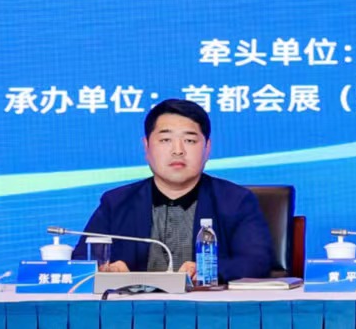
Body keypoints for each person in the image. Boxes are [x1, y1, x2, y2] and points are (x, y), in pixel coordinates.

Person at [78, 98, 276, 282]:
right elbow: (80, 262)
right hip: (133, 307)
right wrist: (107, 270)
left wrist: (208, 269)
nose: (178, 150)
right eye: (165, 140)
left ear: (207, 148)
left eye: (190, 140)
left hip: (206, 306)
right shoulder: (117, 202)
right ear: (146, 147)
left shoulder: (236, 200)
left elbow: (257, 262)